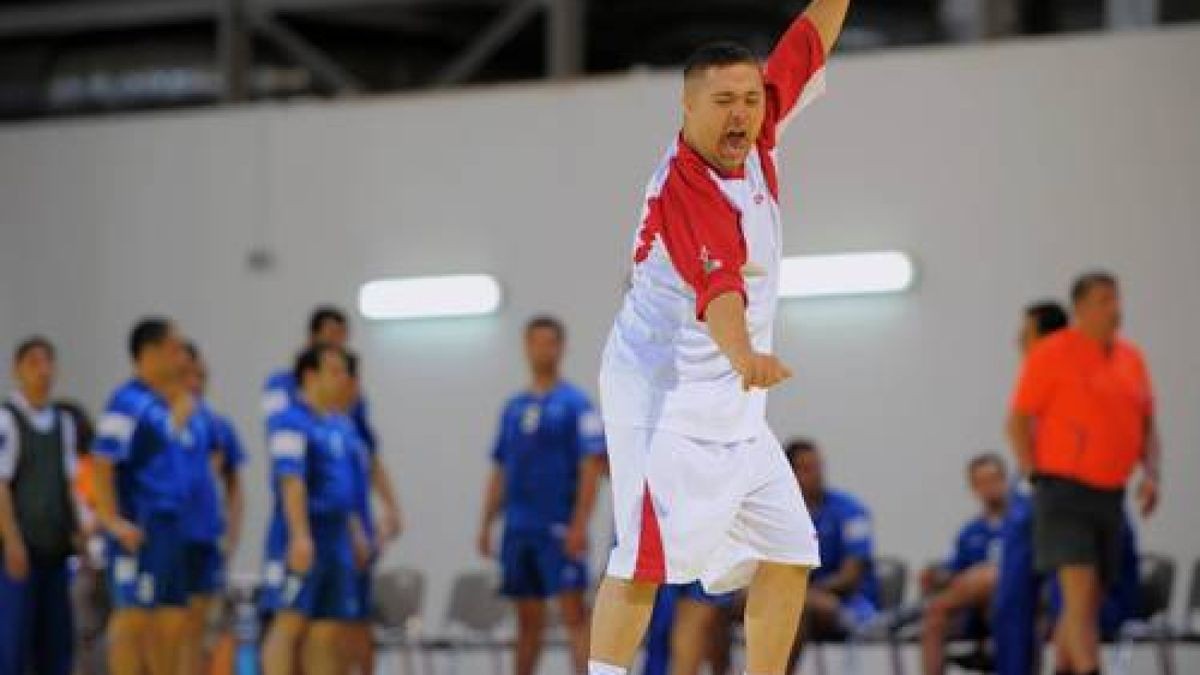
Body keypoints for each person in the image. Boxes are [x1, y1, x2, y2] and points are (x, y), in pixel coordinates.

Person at [589, 1, 851, 673]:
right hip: (663, 398)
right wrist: (745, 355)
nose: (740, 113)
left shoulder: (758, 136)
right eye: (722, 102)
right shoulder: (689, 189)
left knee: (791, 549)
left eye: (748, 99)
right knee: (642, 561)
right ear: (687, 109)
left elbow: (807, 41)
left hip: (732, 400)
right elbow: (721, 293)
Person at [1007, 271, 1161, 675]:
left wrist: (1152, 474)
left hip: (1110, 493)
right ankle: (1091, 669)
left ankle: (1066, 666)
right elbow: (1019, 421)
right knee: (1077, 592)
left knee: (1090, 599)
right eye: (1103, 300)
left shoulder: (1132, 359)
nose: (1115, 309)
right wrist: (1033, 473)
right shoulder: (1052, 353)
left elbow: (1146, 425)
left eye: (1117, 298)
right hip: (1063, 490)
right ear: (1079, 309)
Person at [478, 316, 607, 675]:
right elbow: (501, 469)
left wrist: (580, 522)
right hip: (518, 528)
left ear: (561, 347)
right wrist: (486, 523)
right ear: (525, 346)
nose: (542, 349)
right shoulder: (512, 408)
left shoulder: (576, 405)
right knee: (526, 619)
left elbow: (591, 467)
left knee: (573, 615)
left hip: (559, 527)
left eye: (550, 342)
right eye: (535, 342)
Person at [93, 317, 194, 675]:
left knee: (171, 619)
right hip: (140, 527)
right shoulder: (127, 402)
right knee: (132, 618)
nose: (183, 357)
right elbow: (102, 462)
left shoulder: (159, 405)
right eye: (175, 349)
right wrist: (111, 520)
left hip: (168, 527)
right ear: (149, 353)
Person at [259, 343, 364, 675]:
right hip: (302, 534)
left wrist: (356, 532)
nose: (343, 378)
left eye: (345, 372)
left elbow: (343, 491)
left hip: (336, 541)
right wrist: (300, 536)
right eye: (334, 371)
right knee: (290, 622)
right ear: (310, 376)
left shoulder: (341, 426)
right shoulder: (290, 422)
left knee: (327, 629)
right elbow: (291, 481)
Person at [993, 300, 1069, 675]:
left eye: (1025, 335)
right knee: (1011, 604)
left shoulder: (1073, 377)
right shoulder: (1030, 377)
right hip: (1027, 496)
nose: (1018, 342)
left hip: (1061, 498)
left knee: (1065, 603)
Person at [0, 336, 80, 675]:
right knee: (14, 643)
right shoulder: (7, 419)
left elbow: (69, 484)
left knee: (57, 644)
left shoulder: (64, 423)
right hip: (19, 552)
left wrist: (78, 531)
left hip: (55, 550)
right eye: (33, 362)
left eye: (48, 362)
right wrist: (11, 539)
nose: (43, 371)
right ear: (17, 370)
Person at [178, 341, 246, 675]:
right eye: (191, 375)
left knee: (206, 626)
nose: (198, 382)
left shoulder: (217, 425)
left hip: (206, 539)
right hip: (169, 539)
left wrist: (231, 536)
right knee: (166, 626)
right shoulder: (157, 418)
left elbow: (235, 487)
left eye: (202, 375)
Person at [786, 438, 879, 669]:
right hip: (796, 596)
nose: (816, 474)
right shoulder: (780, 513)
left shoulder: (851, 511)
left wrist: (802, 592)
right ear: (789, 473)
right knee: (721, 604)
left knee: (795, 605)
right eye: (807, 469)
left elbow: (850, 577)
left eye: (818, 466)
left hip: (847, 603)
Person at [919, 452, 1008, 675]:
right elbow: (954, 572)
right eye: (982, 482)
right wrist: (936, 576)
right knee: (935, 619)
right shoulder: (970, 532)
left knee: (990, 582)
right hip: (969, 608)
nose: (989, 487)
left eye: (994, 480)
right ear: (973, 487)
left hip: (1012, 602)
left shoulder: (1023, 524)